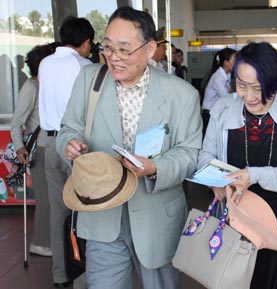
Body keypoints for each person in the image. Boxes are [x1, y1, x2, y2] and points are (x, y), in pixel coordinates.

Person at [56, 6, 202, 289]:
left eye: (124, 49)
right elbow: (68, 129)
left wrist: (154, 168)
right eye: (108, 48)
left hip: (156, 218)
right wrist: (69, 145)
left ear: (149, 49)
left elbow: (189, 153)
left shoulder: (181, 95)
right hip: (102, 214)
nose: (114, 57)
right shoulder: (89, 81)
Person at [198, 41, 277, 289]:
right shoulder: (223, 109)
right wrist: (215, 183)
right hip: (236, 227)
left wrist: (253, 175)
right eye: (242, 86)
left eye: (259, 88)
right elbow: (206, 155)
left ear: (276, 82)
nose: (250, 97)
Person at [38, 16, 94, 288]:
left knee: (58, 211)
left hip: (50, 144)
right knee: (85, 209)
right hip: (76, 146)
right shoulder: (84, 66)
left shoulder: (45, 63)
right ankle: (83, 275)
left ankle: (61, 277)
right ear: (85, 43)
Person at [10, 43, 58, 258]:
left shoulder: (48, 85)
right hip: (38, 149)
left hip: (52, 147)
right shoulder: (31, 87)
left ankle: (52, 240)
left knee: (54, 199)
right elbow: (16, 122)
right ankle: (40, 242)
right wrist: (20, 147)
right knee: (45, 199)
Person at [201, 47, 236, 132]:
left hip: (216, 111)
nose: (236, 63)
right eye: (234, 61)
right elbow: (227, 97)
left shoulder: (227, 75)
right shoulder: (218, 78)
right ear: (226, 62)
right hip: (209, 113)